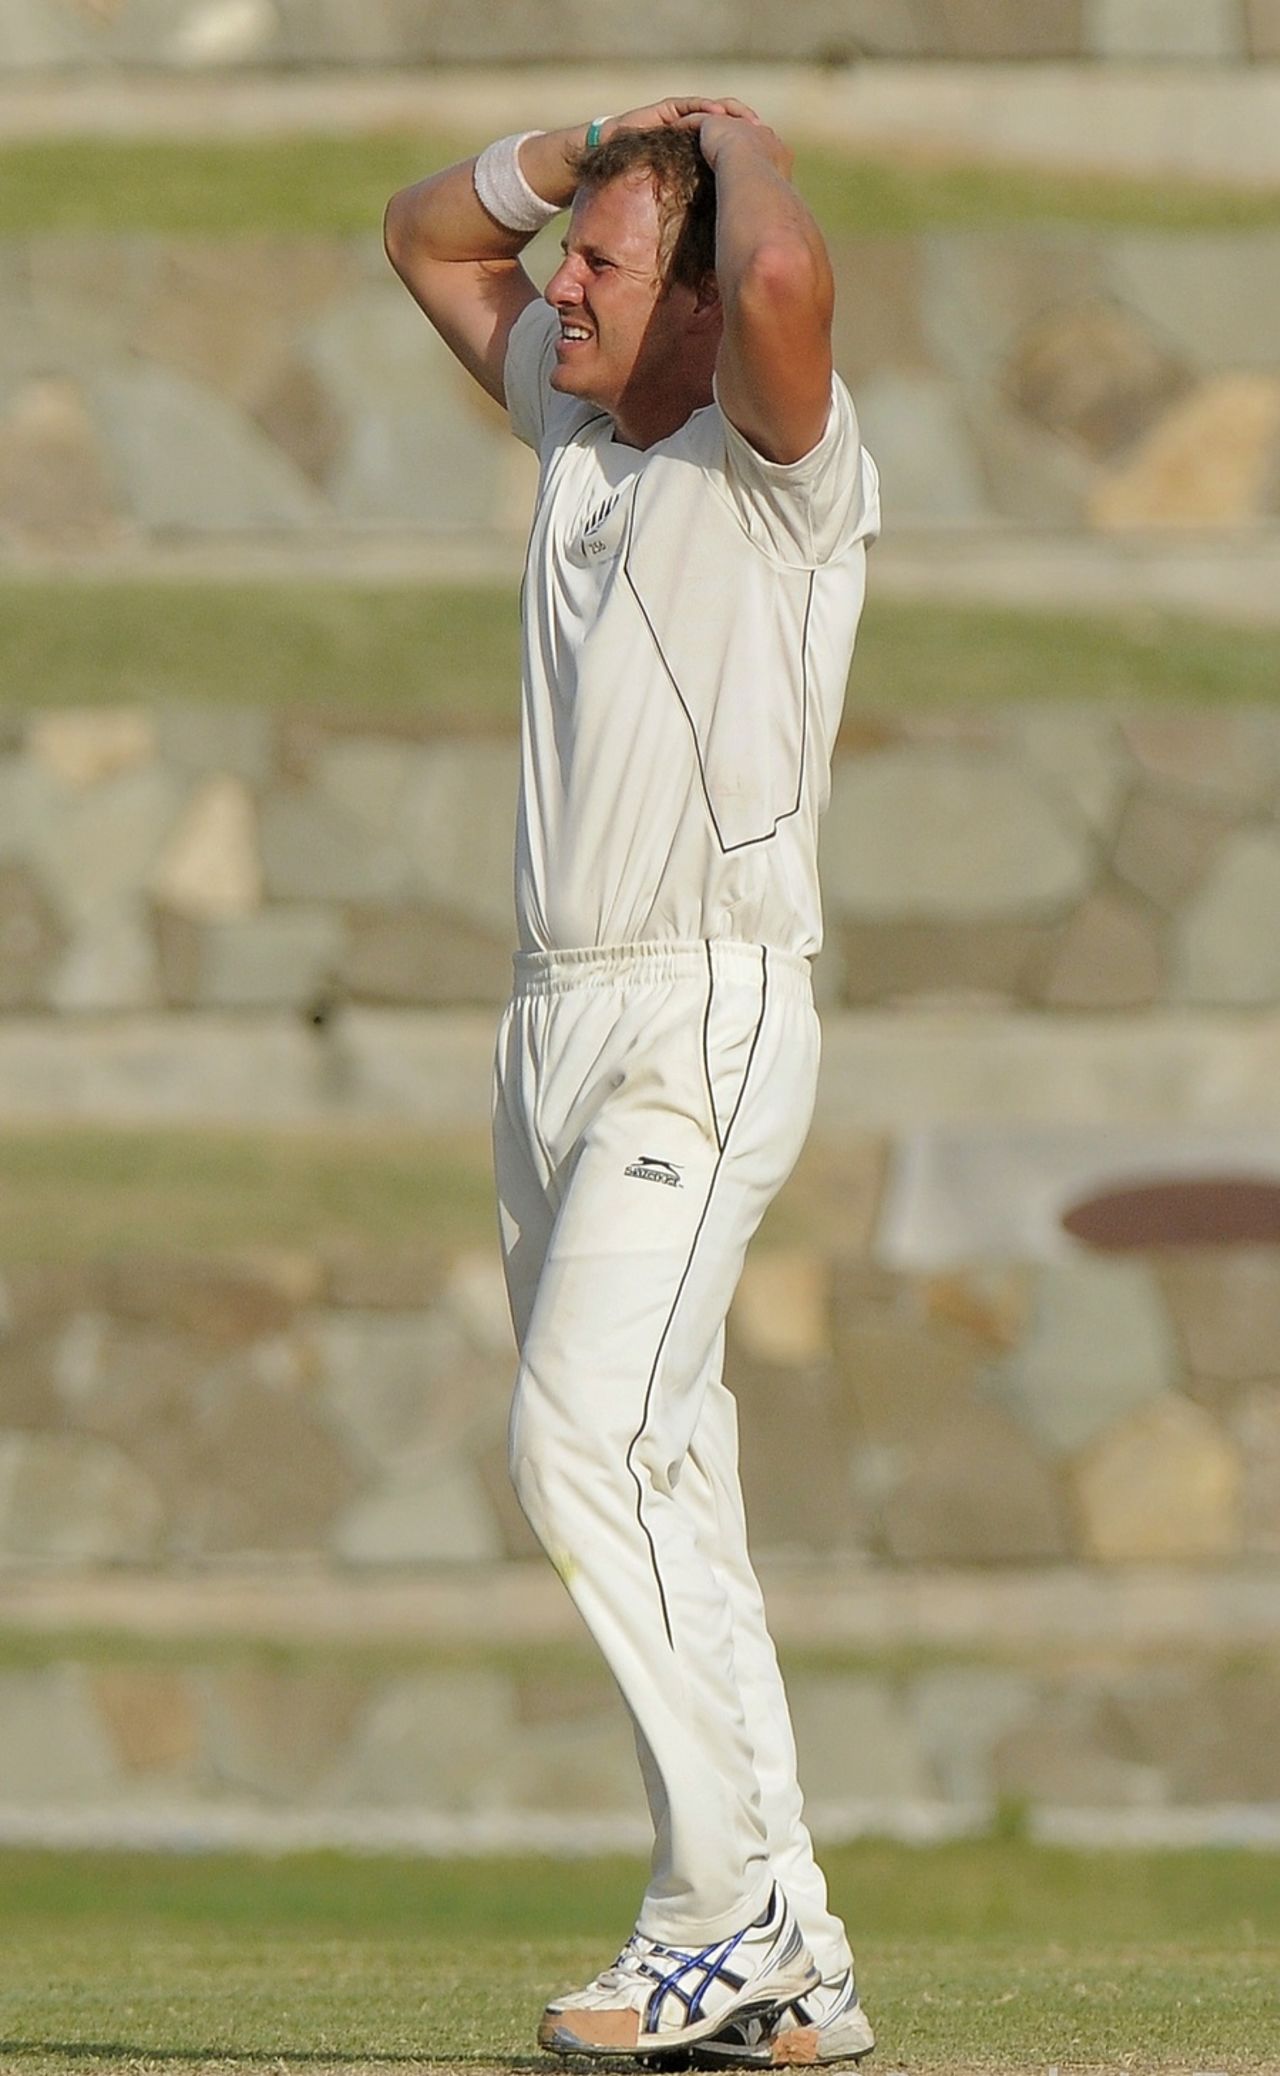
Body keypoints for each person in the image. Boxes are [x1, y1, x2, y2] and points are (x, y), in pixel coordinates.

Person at [384, 96, 880, 2065]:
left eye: (600, 263)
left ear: (689, 308)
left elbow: (767, 274)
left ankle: (716, 1917)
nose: (554, 285)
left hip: (701, 1013)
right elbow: (426, 239)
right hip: (552, 1023)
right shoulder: (579, 422)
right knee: (665, 1478)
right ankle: (804, 1962)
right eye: (567, 255)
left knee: (572, 1441)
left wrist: (726, 149)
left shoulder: (786, 465)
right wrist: (584, 147)